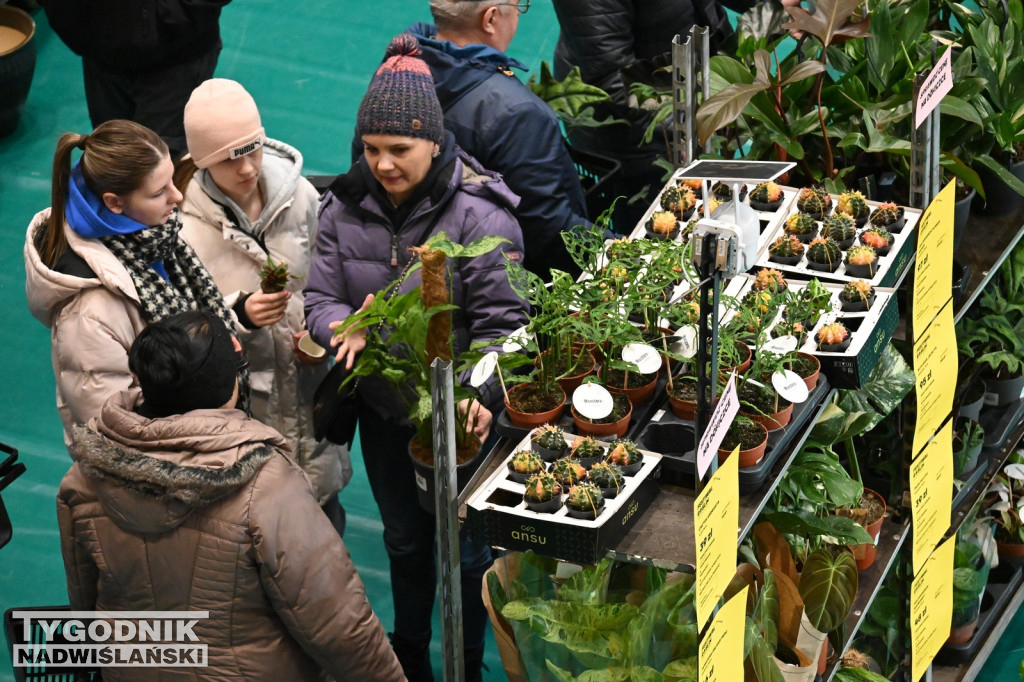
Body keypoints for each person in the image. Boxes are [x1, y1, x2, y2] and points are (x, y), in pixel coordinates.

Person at [305, 34, 527, 682]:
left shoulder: (481, 217)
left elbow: (505, 328)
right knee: (403, 540)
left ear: (434, 141)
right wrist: (339, 323)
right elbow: (319, 293)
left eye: (398, 149)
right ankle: (409, 656)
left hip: (460, 424)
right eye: (372, 149)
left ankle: (466, 662)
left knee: (465, 552)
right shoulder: (342, 209)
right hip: (384, 414)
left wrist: (477, 395)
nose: (383, 164)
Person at [58, 311, 404, 681]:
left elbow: (85, 605)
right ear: (230, 387)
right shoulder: (267, 486)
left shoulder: (83, 479)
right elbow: (336, 622)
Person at [176, 78, 352, 535]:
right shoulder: (184, 234)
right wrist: (240, 317)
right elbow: (181, 335)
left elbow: (332, 281)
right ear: (201, 162)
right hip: (244, 419)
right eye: (230, 158)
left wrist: (322, 327)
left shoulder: (304, 200)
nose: (248, 167)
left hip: (310, 394)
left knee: (326, 526)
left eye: (253, 148)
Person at [25, 119, 242, 445]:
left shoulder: (154, 237)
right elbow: (114, 425)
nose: (178, 196)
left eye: (172, 181)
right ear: (114, 202)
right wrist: (210, 383)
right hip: (164, 462)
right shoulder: (89, 314)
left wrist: (232, 328)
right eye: (159, 192)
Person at [394, 0, 591, 280]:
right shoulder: (517, 113)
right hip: (505, 288)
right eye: (518, 6)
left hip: (418, 270)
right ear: (490, 19)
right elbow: (549, 232)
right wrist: (624, 250)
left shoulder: (395, 72)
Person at [37, 0, 231, 159]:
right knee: (114, 159)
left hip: (176, 59)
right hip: (101, 56)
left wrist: (163, 18)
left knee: (158, 166)